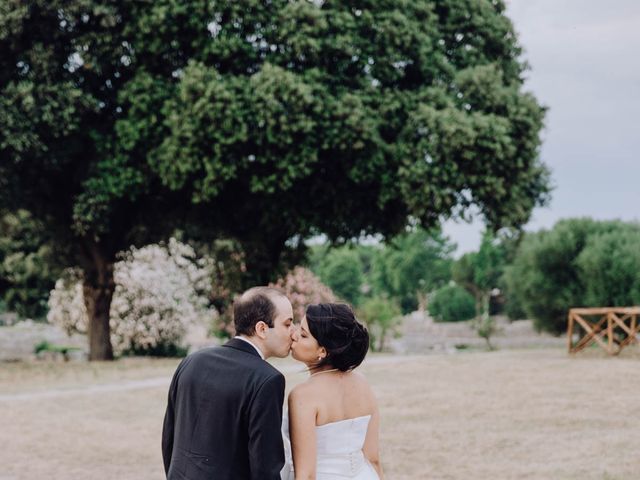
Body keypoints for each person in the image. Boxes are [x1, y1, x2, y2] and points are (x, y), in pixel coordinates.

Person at [162, 286, 295, 480]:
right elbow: (265, 465)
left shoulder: (192, 361)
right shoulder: (267, 379)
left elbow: (169, 438)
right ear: (262, 329)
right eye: (287, 324)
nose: (293, 332)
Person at [282, 303, 384, 480]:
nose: (294, 335)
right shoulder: (362, 384)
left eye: (303, 335)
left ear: (322, 351)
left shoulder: (303, 395)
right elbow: (373, 458)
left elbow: (306, 475)